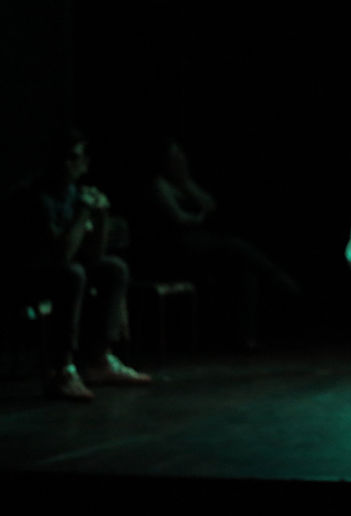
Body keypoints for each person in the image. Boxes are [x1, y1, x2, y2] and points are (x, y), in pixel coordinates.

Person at [19, 127, 151, 401]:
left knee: (113, 268)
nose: (66, 164)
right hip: (23, 276)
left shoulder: (74, 193)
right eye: (62, 157)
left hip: (61, 269)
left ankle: (99, 359)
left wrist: (101, 215)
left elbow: (94, 255)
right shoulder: (35, 197)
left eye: (73, 157)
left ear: (84, 163)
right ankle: (62, 370)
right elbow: (61, 255)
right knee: (73, 273)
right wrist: (83, 212)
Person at [138, 136, 302, 351]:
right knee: (235, 246)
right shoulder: (159, 185)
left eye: (181, 154)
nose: (181, 159)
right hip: (178, 249)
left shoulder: (183, 183)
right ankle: (281, 280)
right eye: (175, 155)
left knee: (245, 271)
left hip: (202, 244)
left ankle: (245, 337)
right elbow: (179, 218)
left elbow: (210, 204)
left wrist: (186, 185)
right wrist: (199, 216)